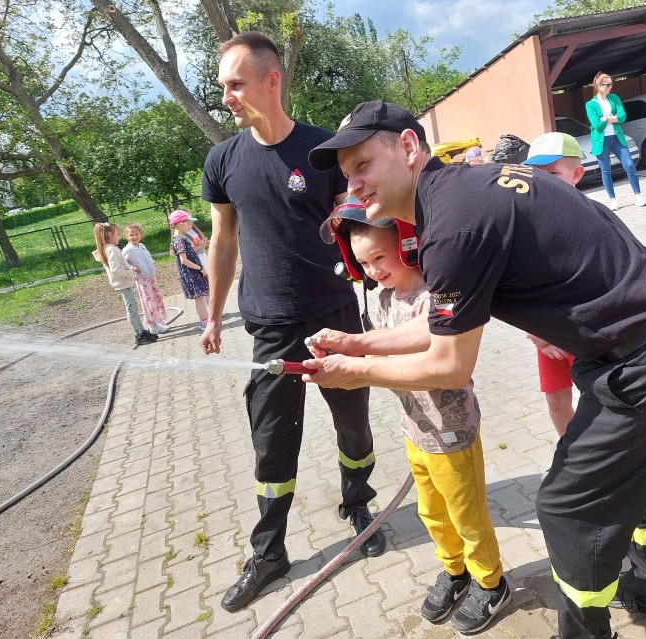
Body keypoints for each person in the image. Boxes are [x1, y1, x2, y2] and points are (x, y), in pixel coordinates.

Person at [304, 100, 646, 639]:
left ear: (408, 147)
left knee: (566, 507)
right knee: (630, 474)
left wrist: (355, 374)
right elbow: (442, 323)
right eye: (346, 176)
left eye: (363, 165)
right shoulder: (461, 192)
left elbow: (450, 365)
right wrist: (360, 344)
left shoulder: (451, 226)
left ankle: (585, 631)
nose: (354, 186)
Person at [197, 31, 383, 613]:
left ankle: (358, 500)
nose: (226, 95)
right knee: (272, 443)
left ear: (270, 80)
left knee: (353, 423)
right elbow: (223, 241)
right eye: (222, 85)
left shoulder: (324, 149)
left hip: (334, 317)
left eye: (235, 83)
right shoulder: (223, 160)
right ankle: (270, 549)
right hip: (269, 327)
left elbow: (361, 218)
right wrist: (213, 314)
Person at [322, 199, 509, 634]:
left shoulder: (434, 295)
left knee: (468, 515)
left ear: (408, 245)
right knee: (432, 513)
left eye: (380, 258)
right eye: (363, 262)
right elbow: (375, 347)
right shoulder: (383, 298)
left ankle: (491, 581)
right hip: (415, 430)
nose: (372, 270)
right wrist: (338, 347)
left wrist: (358, 367)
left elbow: (433, 358)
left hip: (451, 432)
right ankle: (455, 570)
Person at [520, 132, 585, 436]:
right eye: (537, 175)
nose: (542, 182)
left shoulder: (589, 219)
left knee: (597, 399)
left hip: (581, 331)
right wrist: (538, 334)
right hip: (545, 334)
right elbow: (519, 285)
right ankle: (571, 459)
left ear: (577, 174)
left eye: (553, 174)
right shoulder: (527, 222)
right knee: (557, 401)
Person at [585, 72, 646, 210]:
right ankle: (613, 200)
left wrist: (606, 119)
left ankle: (638, 195)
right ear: (598, 86)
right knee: (605, 170)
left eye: (611, 84)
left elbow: (623, 116)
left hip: (617, 137)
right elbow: (597, 125)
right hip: (601, 140)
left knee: (629, 165)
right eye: (606, 84)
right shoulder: (590, 104)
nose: (610, 87)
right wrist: (612, 118)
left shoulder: (614, 98)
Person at [92, 222, 158, 346]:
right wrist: (130, 273)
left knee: (133, 307)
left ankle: (142, 331)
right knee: (131, 309)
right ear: (110, 235)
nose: (119, 236)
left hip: (125, 283)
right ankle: (138, 334)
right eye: (117, 234)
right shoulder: (111, 249)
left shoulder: (111, 248)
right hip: (123, 284)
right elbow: (115, 269)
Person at [122, 222, 169, 335]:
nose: (134, 237)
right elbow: (124, 263)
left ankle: (159, 322)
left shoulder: (142, 246)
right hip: (142, 280)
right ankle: (152, 326)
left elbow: (148, 257)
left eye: (136, 234)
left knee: (156, 299)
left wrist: (152, 264)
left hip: (151, 276)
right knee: (148, 302)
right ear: (127, 236)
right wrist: (133, 268)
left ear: (140, 234)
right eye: (131, 235)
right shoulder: (127, 250)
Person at [169, 209, 210, 329]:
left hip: (193, 272)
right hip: (191, 273)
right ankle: (204, 322)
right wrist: (199, 268)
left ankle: (206, 319)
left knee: (200, 297)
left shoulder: (181, 238)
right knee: (199, 298)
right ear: (180, 224)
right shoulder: (179, 240)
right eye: (188, 223)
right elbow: (184, 260)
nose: (190, 226)